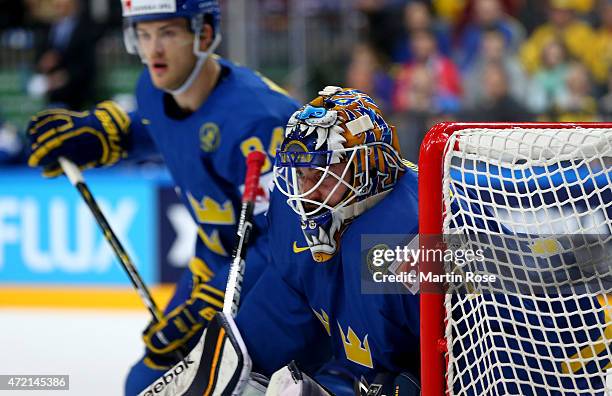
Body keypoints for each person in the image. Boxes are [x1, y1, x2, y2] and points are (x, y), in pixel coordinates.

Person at [24, 1, 298, 394]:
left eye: (168, 33)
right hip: (212, 262)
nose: (153, 50)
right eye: (144, 34)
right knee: (145, 382)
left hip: (272, 279)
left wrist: (213, 300)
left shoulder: (259, 121)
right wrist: (108, 136)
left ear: (203, 34)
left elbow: (288, 240)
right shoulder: (153, 89)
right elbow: (168, 128)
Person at [234, 87, 420, 395]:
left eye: (323, 173)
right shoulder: (291, 215)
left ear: (368, 167)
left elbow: (482, 350)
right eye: (303, 174)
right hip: (349, 370)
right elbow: (281, 314)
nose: (307, 193)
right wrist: (235, 367)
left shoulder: (422, 231)